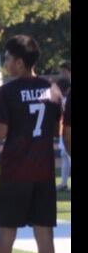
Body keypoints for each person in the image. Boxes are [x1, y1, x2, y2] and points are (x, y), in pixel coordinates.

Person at [0, 35, 64, 253]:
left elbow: (0, 133)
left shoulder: (8, 92)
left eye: (8, 58)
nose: (6, 63)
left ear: (20, 62)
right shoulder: (53, 90)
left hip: (14, 171)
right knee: (44, 236)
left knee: (5, 236)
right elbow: (57, 130)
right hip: (43, 171)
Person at [56, 61, 71, 190]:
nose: (61, 74)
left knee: (68, 153)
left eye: (63, 71)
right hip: (65, 127)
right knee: (64, 154)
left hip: (68, 127)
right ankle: (64, 182)